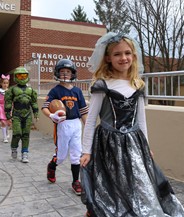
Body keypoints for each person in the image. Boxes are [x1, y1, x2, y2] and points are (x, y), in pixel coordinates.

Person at [80, 32, 184, 217]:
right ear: (108, 58)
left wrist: (147, 146)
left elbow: (141, 119)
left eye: (127, 53)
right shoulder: (102, 85)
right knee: (112, 183)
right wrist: (86, 150)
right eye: (117, 54)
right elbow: (90, 121)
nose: (123, 58)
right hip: (108, 143)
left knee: (139, 181)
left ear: (134, 56)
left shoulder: (138, 85)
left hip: (134, 143)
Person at [41, 59, 88, 195]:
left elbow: (84, 112)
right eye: (62, 72)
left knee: (76, 154)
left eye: (68, 71)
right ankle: (52, 166)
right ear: (57, 73)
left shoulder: (78, 91)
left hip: (76, 124)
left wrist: (90, 128)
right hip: (62, 125)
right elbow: (44, 107)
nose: (65, 74)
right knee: (61, 156)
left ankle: (75, 181)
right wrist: (51, 116)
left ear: (72, 73)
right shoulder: (55, 91)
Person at [4, 67, 39, 163]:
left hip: (27, 114)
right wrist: (8, 115)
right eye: (20, 75)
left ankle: (25, 153)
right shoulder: (12, 89)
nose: (22, 77)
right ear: (16, 77)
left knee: (26, 134)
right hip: (16, 115)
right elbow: (8, 102)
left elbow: (34, 102)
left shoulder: (30, 90)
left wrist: (36, 112)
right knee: (17, 133)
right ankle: (14, 148)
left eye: (24, 75)